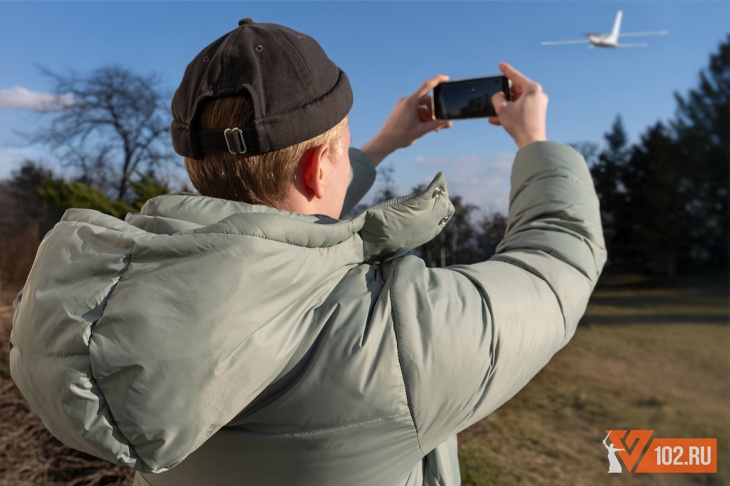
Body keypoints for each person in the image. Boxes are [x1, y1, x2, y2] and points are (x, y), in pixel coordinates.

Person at [9, 18, 606, 486]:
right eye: (342, 151)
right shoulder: (398, 338)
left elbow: (281, 234)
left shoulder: (126, 304)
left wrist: (381, 143)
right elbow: (558, 265)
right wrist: (535, 141)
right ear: (322, 166)